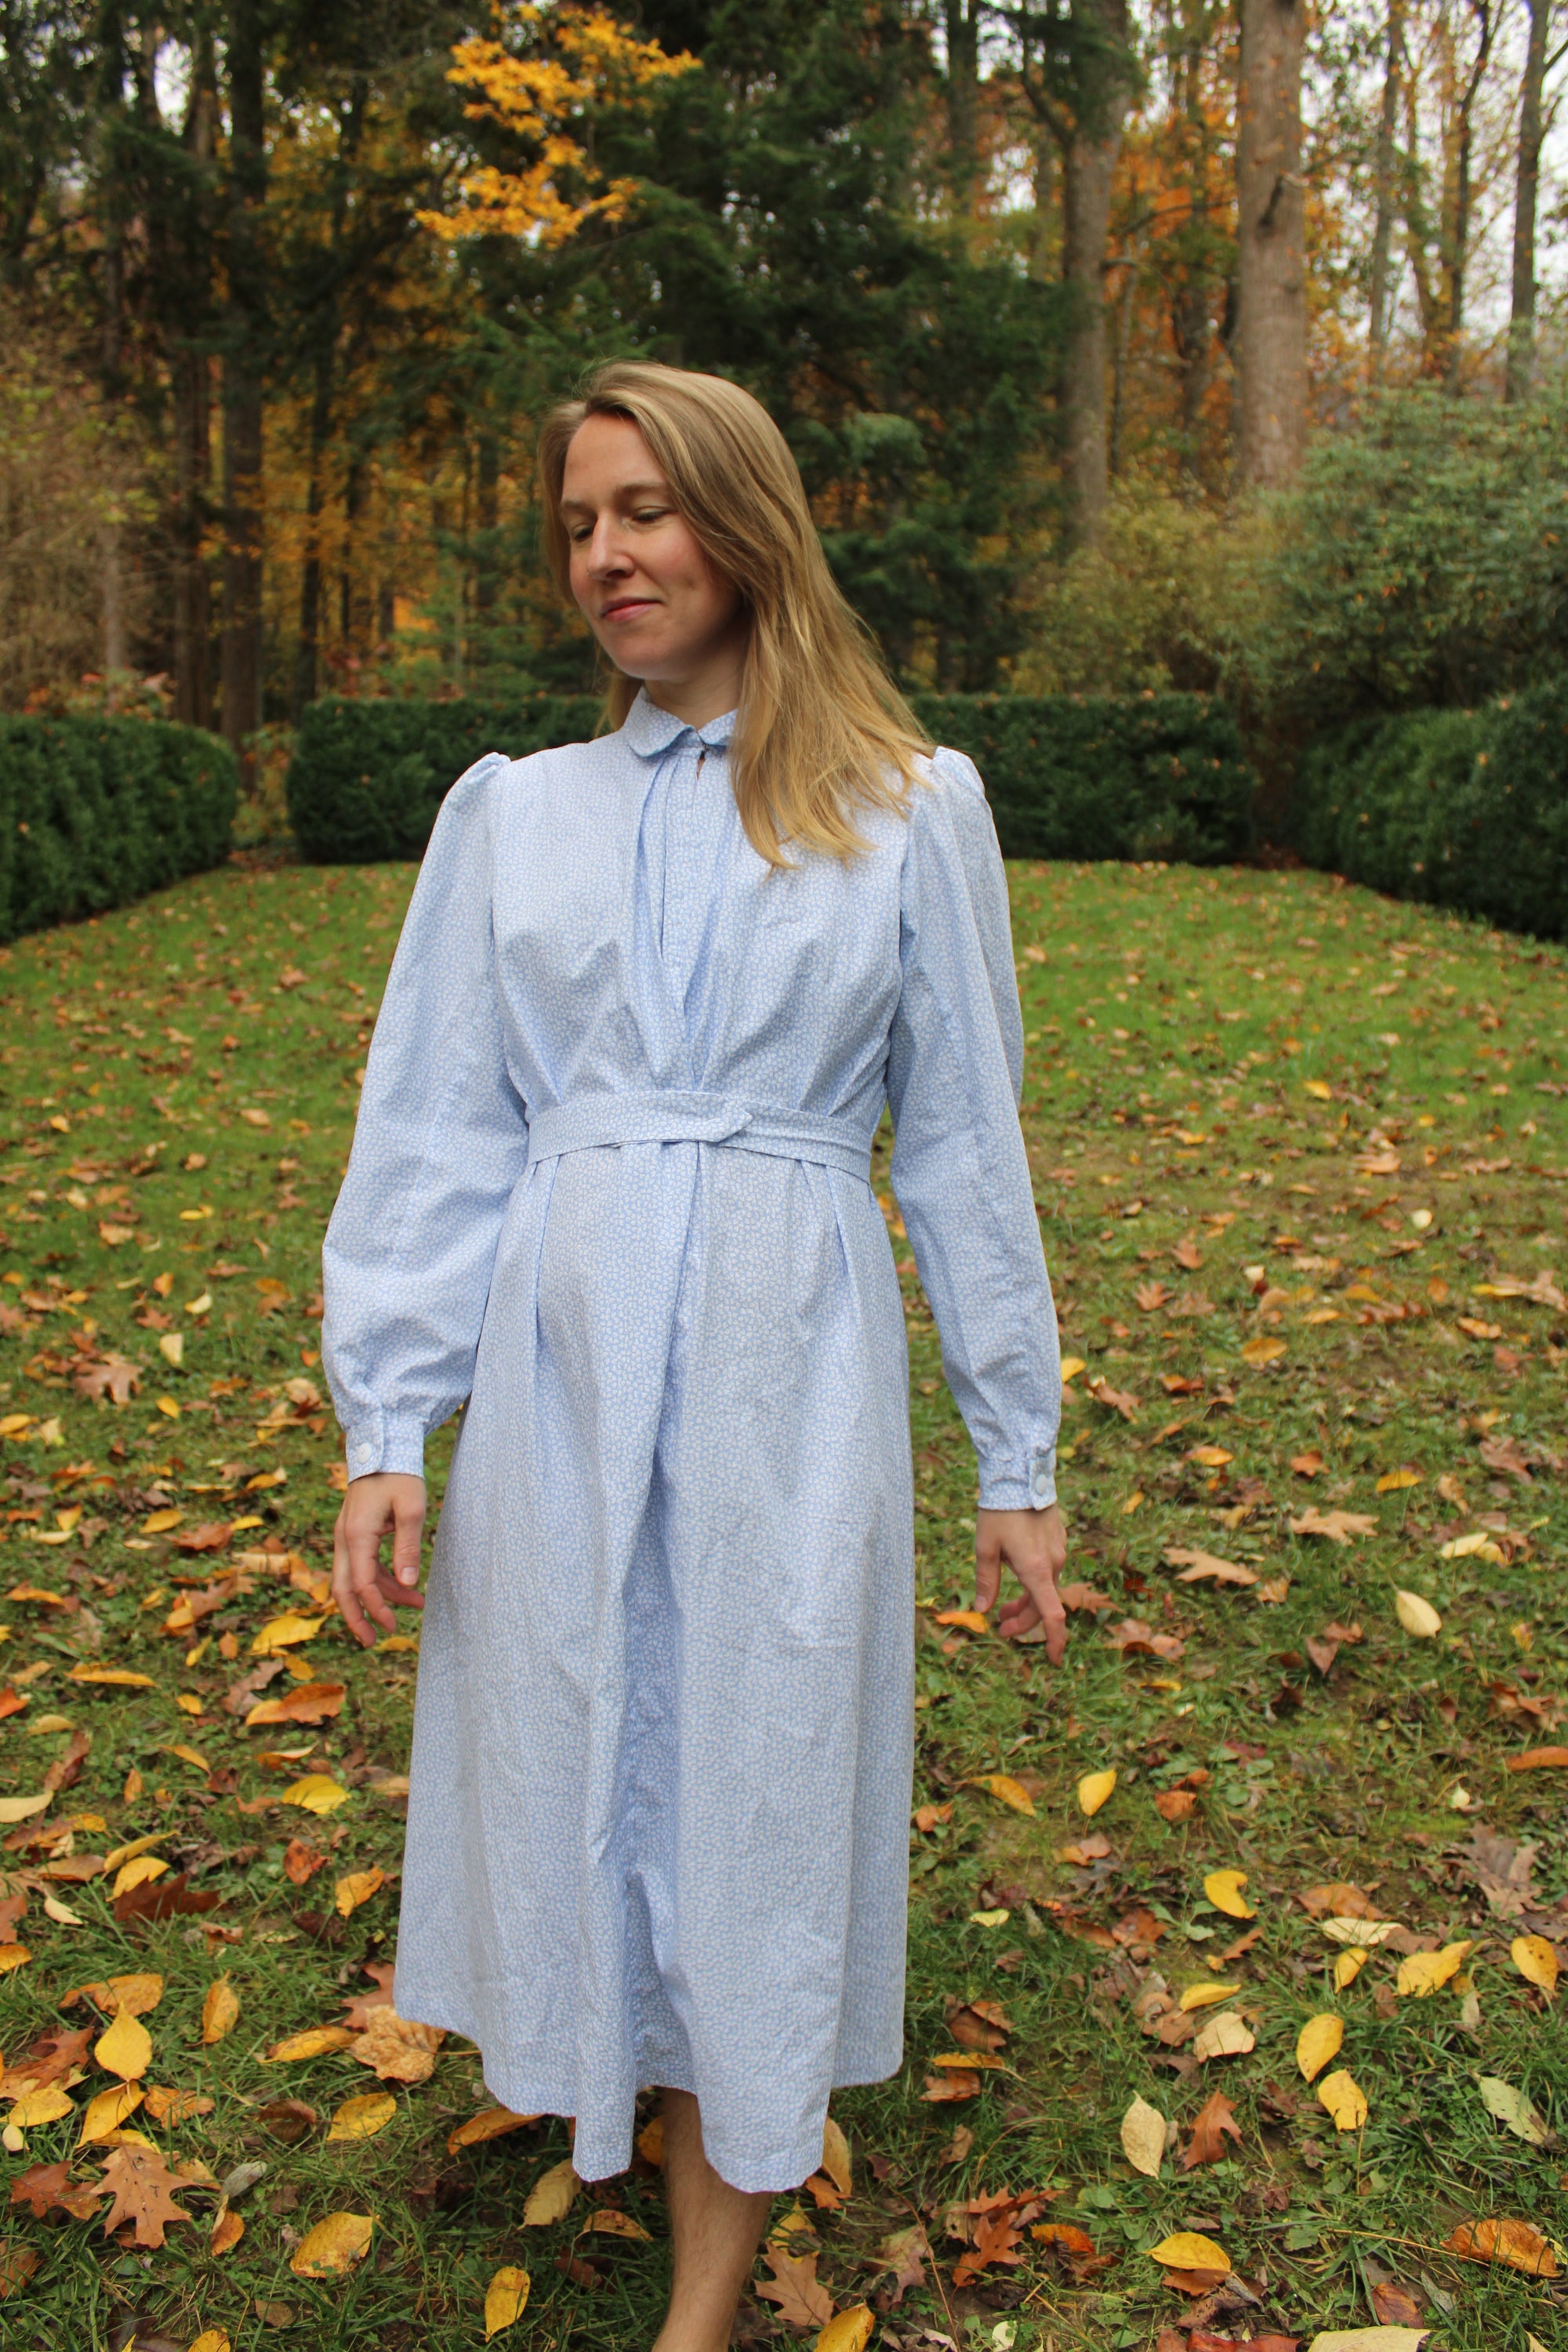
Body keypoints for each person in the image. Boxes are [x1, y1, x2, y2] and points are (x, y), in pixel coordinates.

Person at [323, 360, 1066, 2352]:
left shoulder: (909, 812)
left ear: (741, 520)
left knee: (755, 1741)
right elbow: (435, 1123)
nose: (603, 556)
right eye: (577, 522)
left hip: (784, 1345)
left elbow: (969, 1140)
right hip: (559, 1339)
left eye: (640, 509)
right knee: (577, 1705)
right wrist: (388, 1414)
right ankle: (618, 2062)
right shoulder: (513, 819)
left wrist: (1015, 1449)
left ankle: (710, 2279)